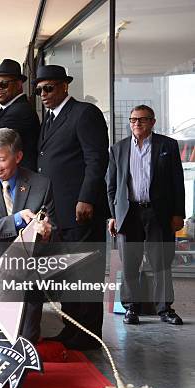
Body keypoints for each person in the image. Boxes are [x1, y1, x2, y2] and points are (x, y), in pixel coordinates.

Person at [35, 64, 110, 350]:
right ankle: (72, 326)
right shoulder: (50, 119)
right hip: (58, 211)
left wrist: (87, 197)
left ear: (65, 86)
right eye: (40, 89)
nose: (43, 94)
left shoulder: (84, 113)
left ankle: (89, 334)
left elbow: (96, 159)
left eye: (49, 88)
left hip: (81, 209)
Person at [0, 128, 54, 343]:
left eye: (1, 159)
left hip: (27, 273)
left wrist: (45, 232)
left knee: (26, 339)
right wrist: (17, 219)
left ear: (18, 156)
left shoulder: (41, 184)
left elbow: (51, 232)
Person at [107, 105, 185, 325]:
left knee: (161, 261)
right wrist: (113, 215)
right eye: (133, 120)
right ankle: (131, 308)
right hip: (129, 213)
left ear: (152, 122)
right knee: (130, 262)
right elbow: (111, 185)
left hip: (158, 213)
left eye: (142, 120)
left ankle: (165, 309)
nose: (137, 124)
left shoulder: (167, 146)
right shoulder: (118, 149)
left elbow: (177, 183)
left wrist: (178, 213)